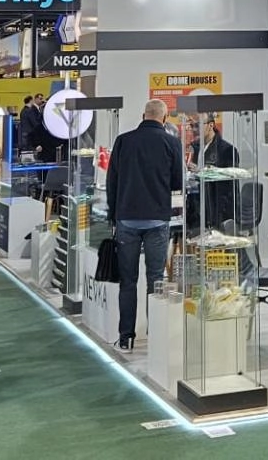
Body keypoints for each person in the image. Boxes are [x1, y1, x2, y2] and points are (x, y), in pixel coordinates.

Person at [105, 99, 183, 351]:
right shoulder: (172, 143)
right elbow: (177, 182)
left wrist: (113, 215)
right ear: (165, 117)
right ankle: (155, 334)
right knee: (155, 278)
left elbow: (112, 181)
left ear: (143, 115)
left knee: (128, 280)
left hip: (126, 218)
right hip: (157, 219)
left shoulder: (123, 141)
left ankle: (126, 336)